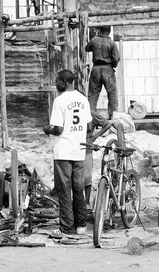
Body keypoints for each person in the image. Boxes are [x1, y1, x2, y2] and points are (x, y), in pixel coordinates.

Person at [44, 69, 93, 237]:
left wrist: (47, 130)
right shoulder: (83, 99)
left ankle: (66, 227)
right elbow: (90, 127)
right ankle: (81, 226)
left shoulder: (59, 101)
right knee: (78, 189)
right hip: (79, 151)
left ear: (64, 82)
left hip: (63, 151)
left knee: (64, 190)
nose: (56, 84)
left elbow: (58, 129)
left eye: (58, 81)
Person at [85, 26, 120, 119]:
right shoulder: (112, 43)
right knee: (112, 94)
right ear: (109, 31)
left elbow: (87, 48)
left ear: (100, 31)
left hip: (96, 69)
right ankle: (113, 116)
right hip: (108, 69)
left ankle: (89, 117)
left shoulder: (94, 40)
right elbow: (116, 58)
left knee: (93, 95)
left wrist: (94, 36)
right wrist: (113, 65)